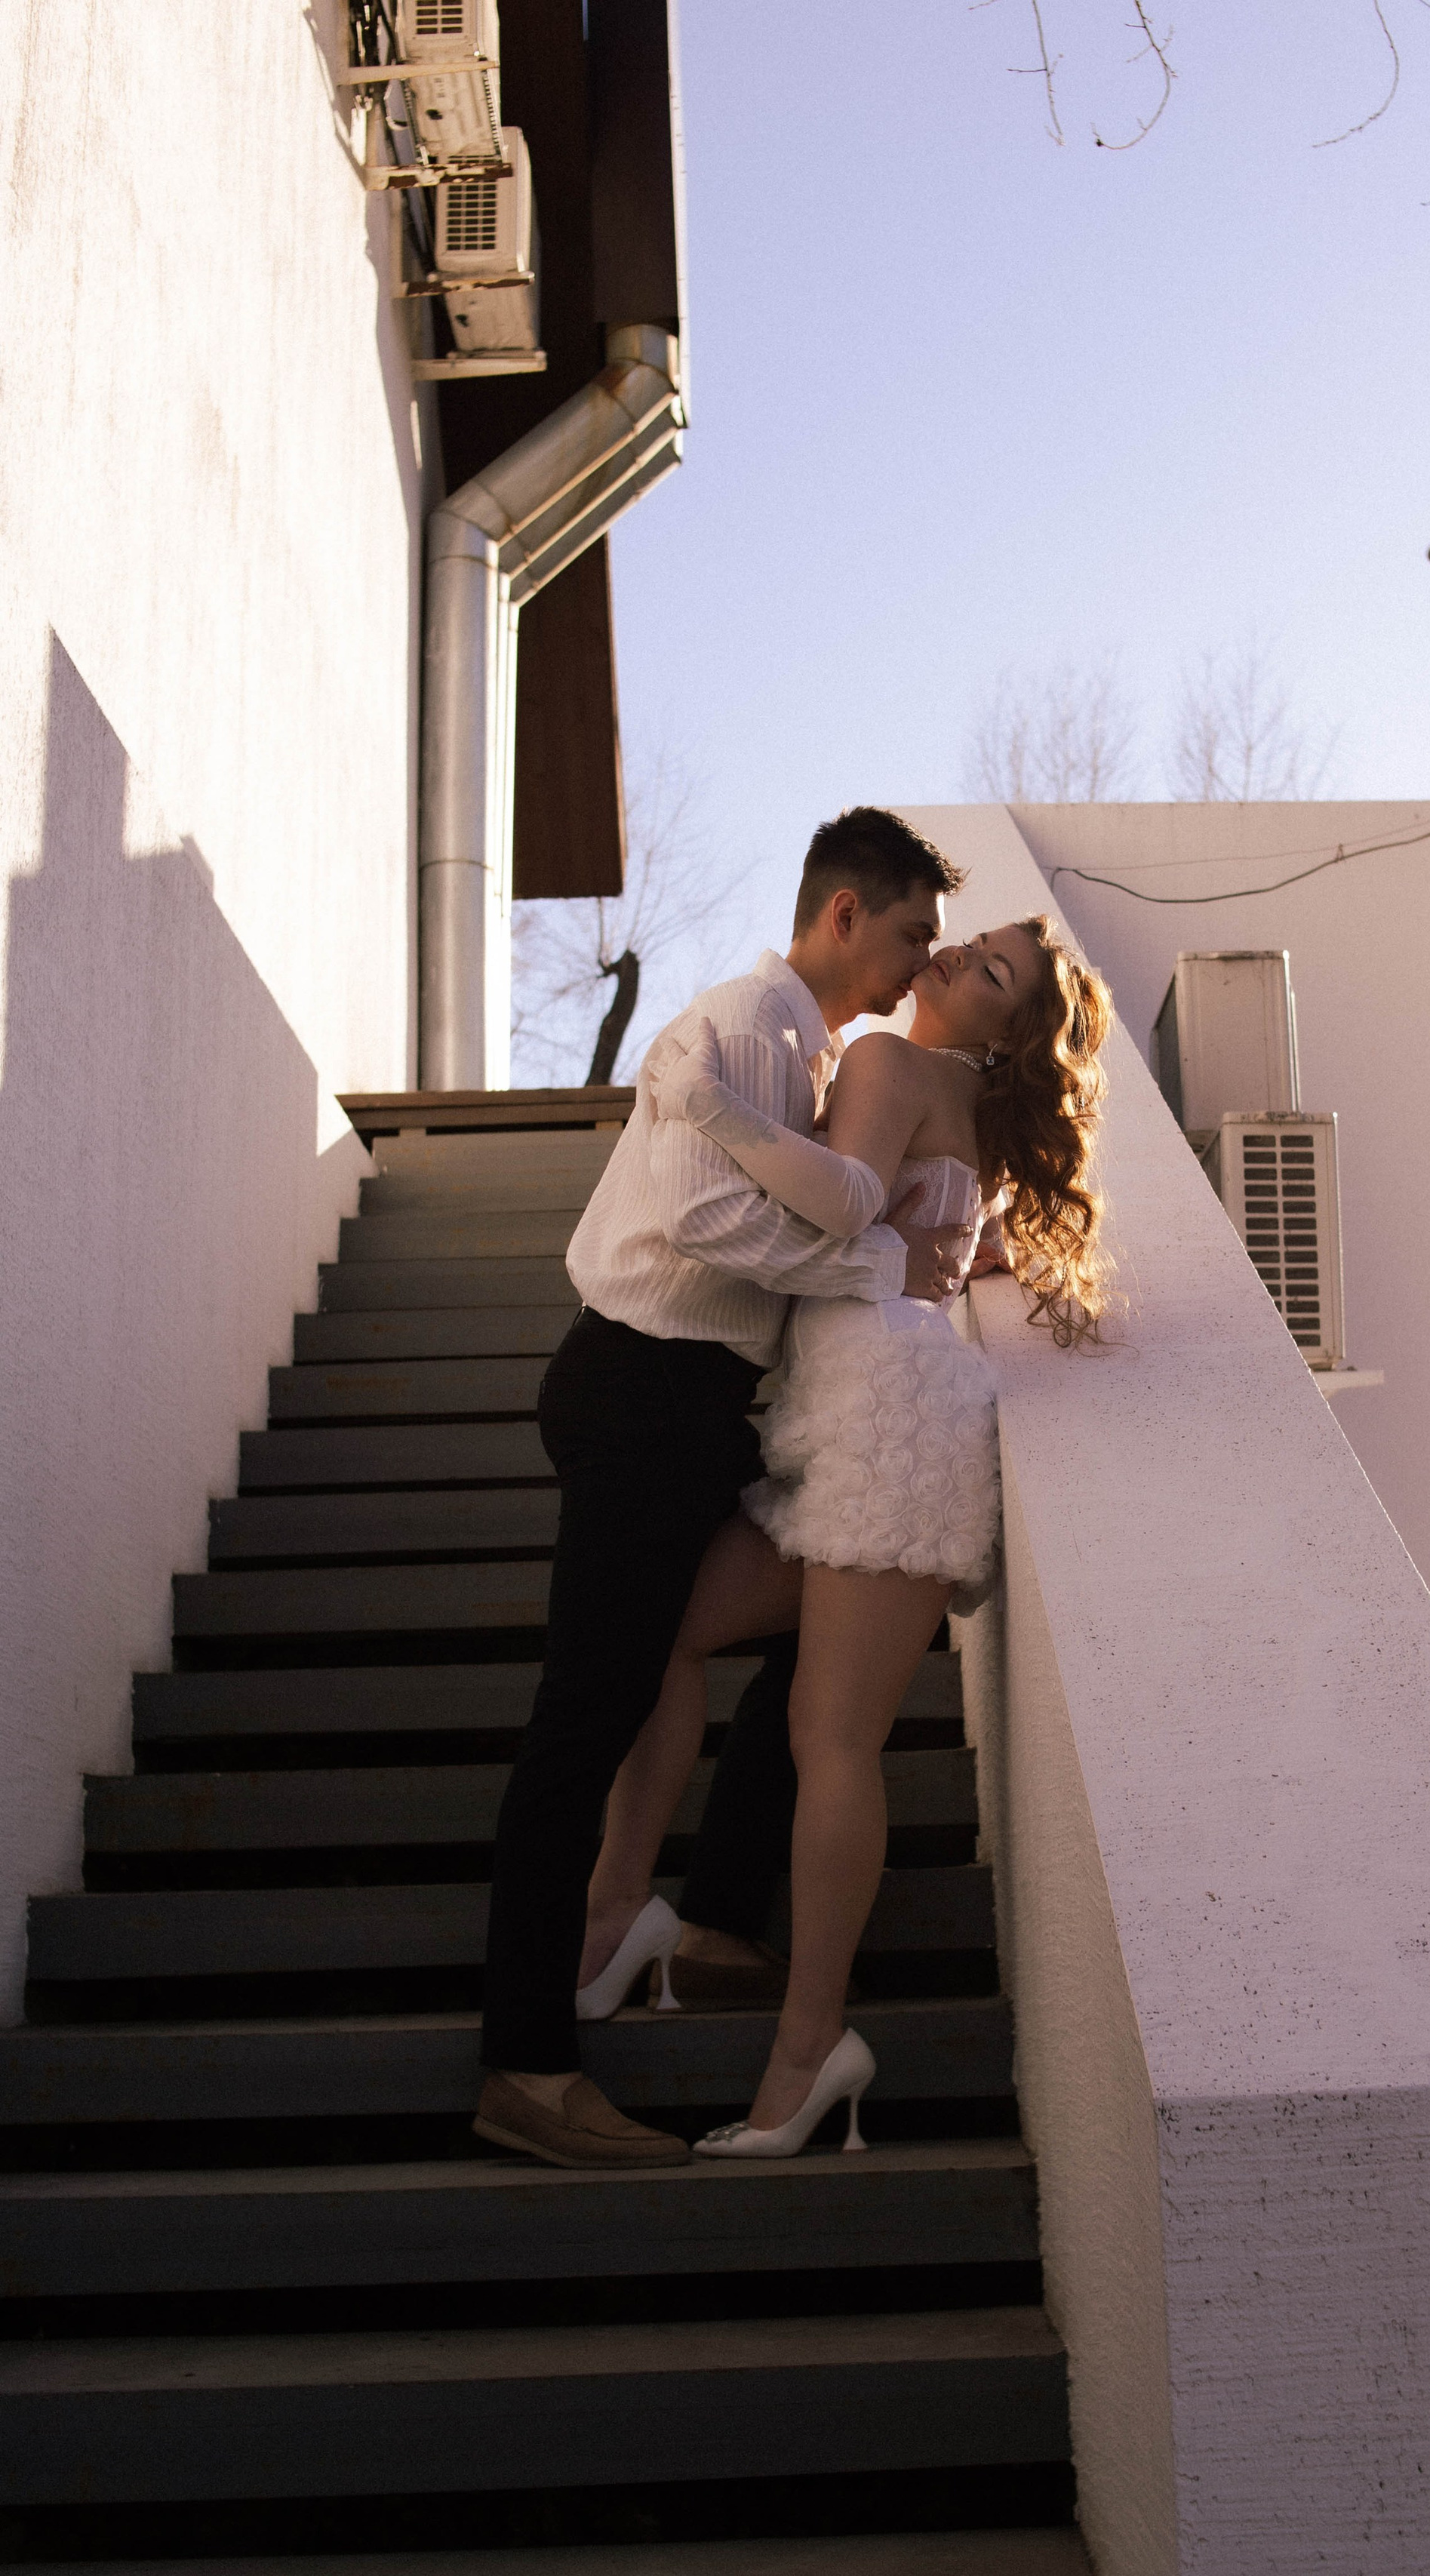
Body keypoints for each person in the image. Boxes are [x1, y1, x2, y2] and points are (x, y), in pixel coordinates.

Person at [472, 808, 967, 2171]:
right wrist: (862, 1266)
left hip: (688, 1405)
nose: (923, 961)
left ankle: (692, 1918)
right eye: (914, 931)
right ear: (845, 915)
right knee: (585, 1715)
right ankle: (525, 2059)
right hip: (644, 1387)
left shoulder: (805, 1054)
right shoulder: (758, 1017)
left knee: (796, 1628)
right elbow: (705, 1217)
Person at [574, 914, 1113, 2157]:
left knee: (831, 1734)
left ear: (1007, 1031)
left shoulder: (885, 1063)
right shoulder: (939, 1091)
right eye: (973, 940)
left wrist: (705, 1106)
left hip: (886, 1415)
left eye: (990, 972)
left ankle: (810, 2047)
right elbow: (898, 1234)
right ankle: (619, 1908)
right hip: (846, 1414)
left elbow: (840, 1208)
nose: (956, 956)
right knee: (664, 1628)